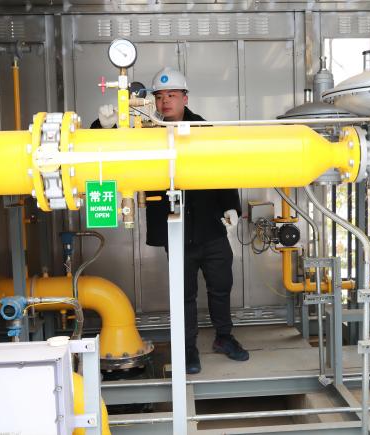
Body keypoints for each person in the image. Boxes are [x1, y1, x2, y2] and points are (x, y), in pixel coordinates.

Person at [146, 67, 249, 374]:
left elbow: (222, 169)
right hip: (176, 231)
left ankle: (224, 338)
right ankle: (188, 349)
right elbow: (109, 145)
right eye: (159, 97)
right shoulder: (148, 132)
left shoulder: (204, 129)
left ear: (185, 98)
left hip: (210, 227)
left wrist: (231, 206)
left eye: (172, 95)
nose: (165, 102)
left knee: (221, 285)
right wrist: (103, 125)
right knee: (184, 295)